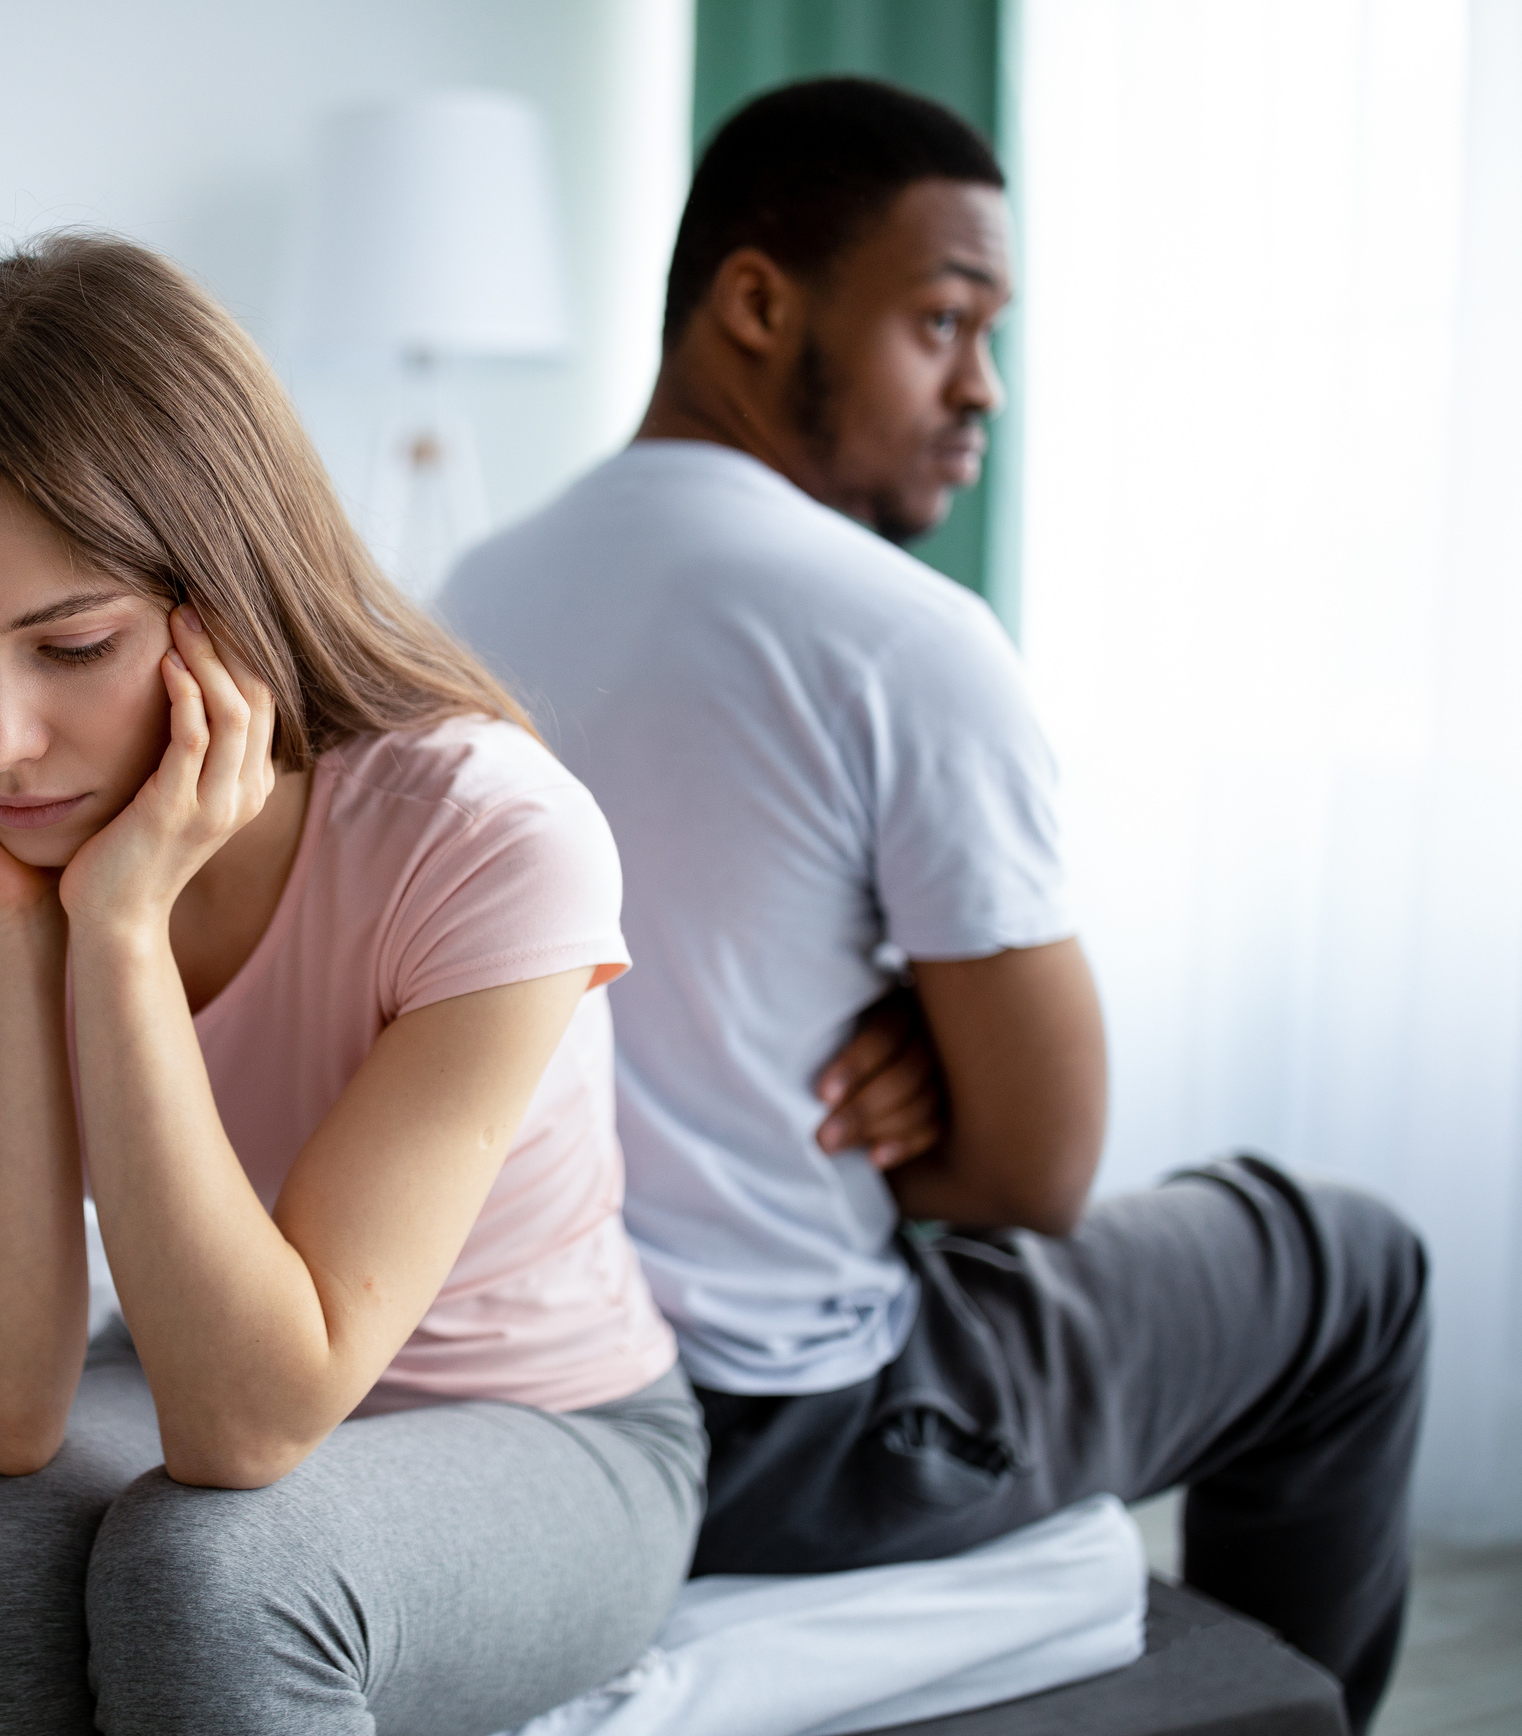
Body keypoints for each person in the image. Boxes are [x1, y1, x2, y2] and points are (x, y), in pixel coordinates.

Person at [441, 78, 1428, 1733]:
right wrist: (930, 1051)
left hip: (535, 1410)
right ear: (756, 303)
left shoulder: (466, 593)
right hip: (803, 1434)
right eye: (942, 320)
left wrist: (859, 1019)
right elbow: (1032, 1175)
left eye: (993, 332)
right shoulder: (900, 636)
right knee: (1355, 1264)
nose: (983, 388)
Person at [0, 234, 702, 1736]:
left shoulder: (482, 838)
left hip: (544, 1428)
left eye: (69, 645)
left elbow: (245, 1423)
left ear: (224, 600)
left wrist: (125, 933)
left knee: (216, 1576)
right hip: (182, 1345)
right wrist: (14, 944)